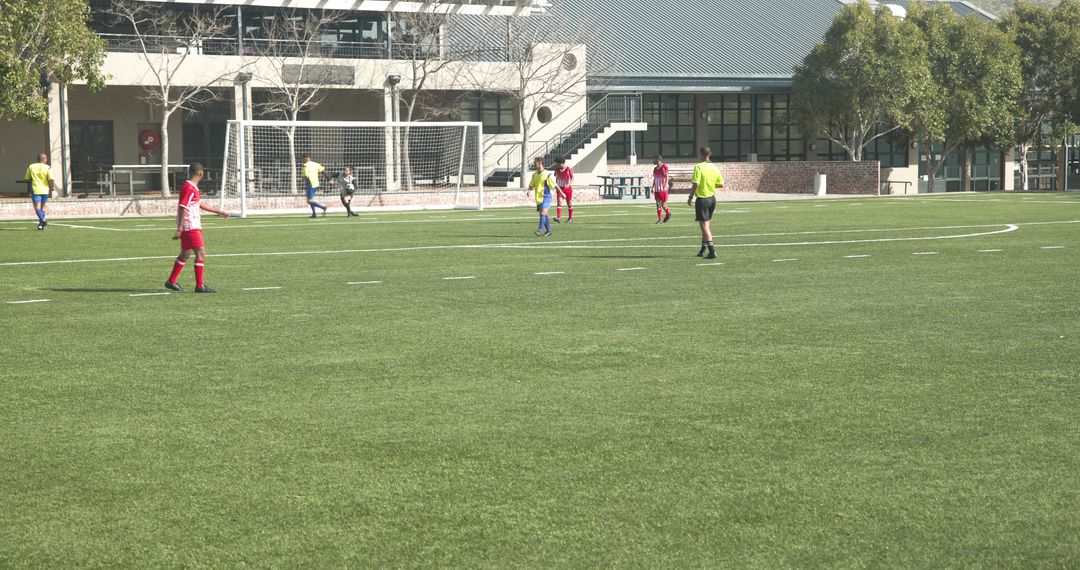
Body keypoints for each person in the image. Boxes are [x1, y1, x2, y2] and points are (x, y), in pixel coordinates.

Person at [165, 162, 230, 293]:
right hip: (190, 225)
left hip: (189, 225)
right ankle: (199, 286)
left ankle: (171, 281)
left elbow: (199, 203)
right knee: (200, 253)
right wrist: (180, 228)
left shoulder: (191, 187)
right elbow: (183, 207)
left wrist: (218, 211)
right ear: (200, 173)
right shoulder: (189, 188)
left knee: (186, 253)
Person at [686, 146, 724, 259]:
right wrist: (711, 185)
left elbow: (696, 184)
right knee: (706, 225)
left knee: (704, 226)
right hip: (712, 199)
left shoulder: (698, 167)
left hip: (702, 199)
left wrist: (690, 197)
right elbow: (721, 184)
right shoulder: (715, 168)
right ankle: (703, 250)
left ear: (701, 155)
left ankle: (712, 251)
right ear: (710, 154)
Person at [526, 157, 560, 237]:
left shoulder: (547, 174)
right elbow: (532, 184)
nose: (534, 164)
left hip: (546, 197)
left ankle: (539, 230)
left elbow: (555, 185)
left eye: (535, 163)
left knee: (542, 213)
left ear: (540, 163)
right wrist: (529, 190)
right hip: (538, 198)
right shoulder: (534, 175)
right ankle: (548, 231)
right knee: (545, 215)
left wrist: (562, 193)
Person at [25, 153, 59, 231]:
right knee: (42, 208)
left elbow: (26, 178)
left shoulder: (31, 166)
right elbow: (52, 179)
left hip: (35, 189)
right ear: (45, 159)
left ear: (38, 159)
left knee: (37, 208)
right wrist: (52, 187)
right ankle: (41, 225)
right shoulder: (48, 167)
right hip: (45, 190)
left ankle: (43, 221)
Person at [302, 154, 328, 218]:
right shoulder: (316, 164)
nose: (302, 160)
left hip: (310, 183)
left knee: (309, 201)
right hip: (316, 183)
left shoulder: (305, 165)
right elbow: (323, 171)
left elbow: (306, 177)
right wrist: (328, 179)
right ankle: (314, 214)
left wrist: (304, 181)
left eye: (303, 158)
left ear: (306, 158)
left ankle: (323, 207)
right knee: (311, 200)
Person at [553, 157, 574, 223]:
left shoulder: (568, 169)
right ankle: (558, 218)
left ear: (563, 163)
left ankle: (570, 218)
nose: (558, 166)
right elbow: (555, 177)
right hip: (560, 188)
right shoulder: (557, 169)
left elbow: (572, 178)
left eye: (559, 164)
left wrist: (568, 184)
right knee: (559, 202)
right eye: (557, 164)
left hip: (567, 188)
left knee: (569, 203)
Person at [652, 155, 671, 224]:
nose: (653, 161)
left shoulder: (664, 167)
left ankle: (668, 213)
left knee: (663, 205)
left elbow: (667, 176)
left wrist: (665, 184)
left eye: (654, 159)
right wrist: (652, 187)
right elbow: (655, 178)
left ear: (658, 160)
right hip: (657, 189)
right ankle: (660, 219)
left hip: (663, 189)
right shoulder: (655, 169)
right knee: (657, 204)